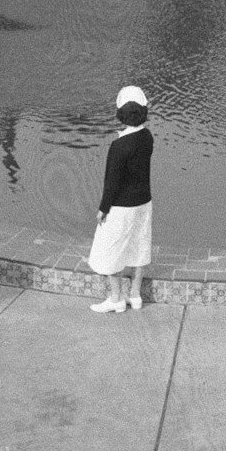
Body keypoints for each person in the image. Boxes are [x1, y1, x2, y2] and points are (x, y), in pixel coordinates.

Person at [89, 84, 155, 314]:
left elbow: (112, 182)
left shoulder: (119, 146)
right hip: (143, 203)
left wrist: (102, 208)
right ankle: (135, 295)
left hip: (121, 206)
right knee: (139, 246)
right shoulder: (147, 137)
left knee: (109, 250)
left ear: (121, 115)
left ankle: (116, 298)